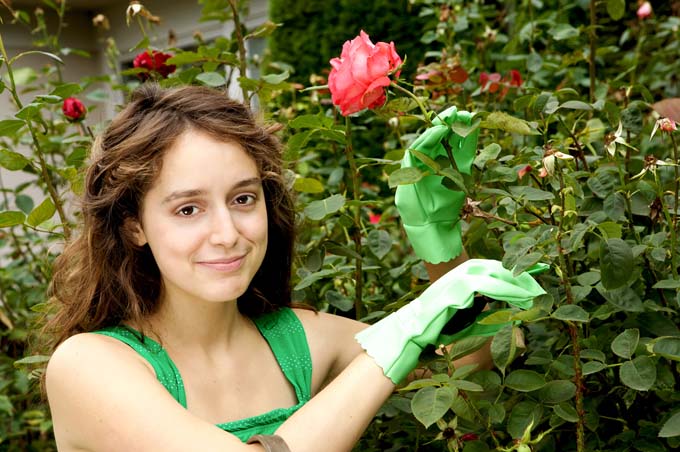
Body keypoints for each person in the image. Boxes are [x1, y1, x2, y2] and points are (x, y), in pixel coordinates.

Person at [43, 84, 544, 452]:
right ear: (134, 226)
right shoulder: (90, 366)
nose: (226, 232)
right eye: (187, 209)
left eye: (242, 198)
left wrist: (439, 243)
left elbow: (466, 368)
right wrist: (395, 336)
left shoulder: (298, 340)